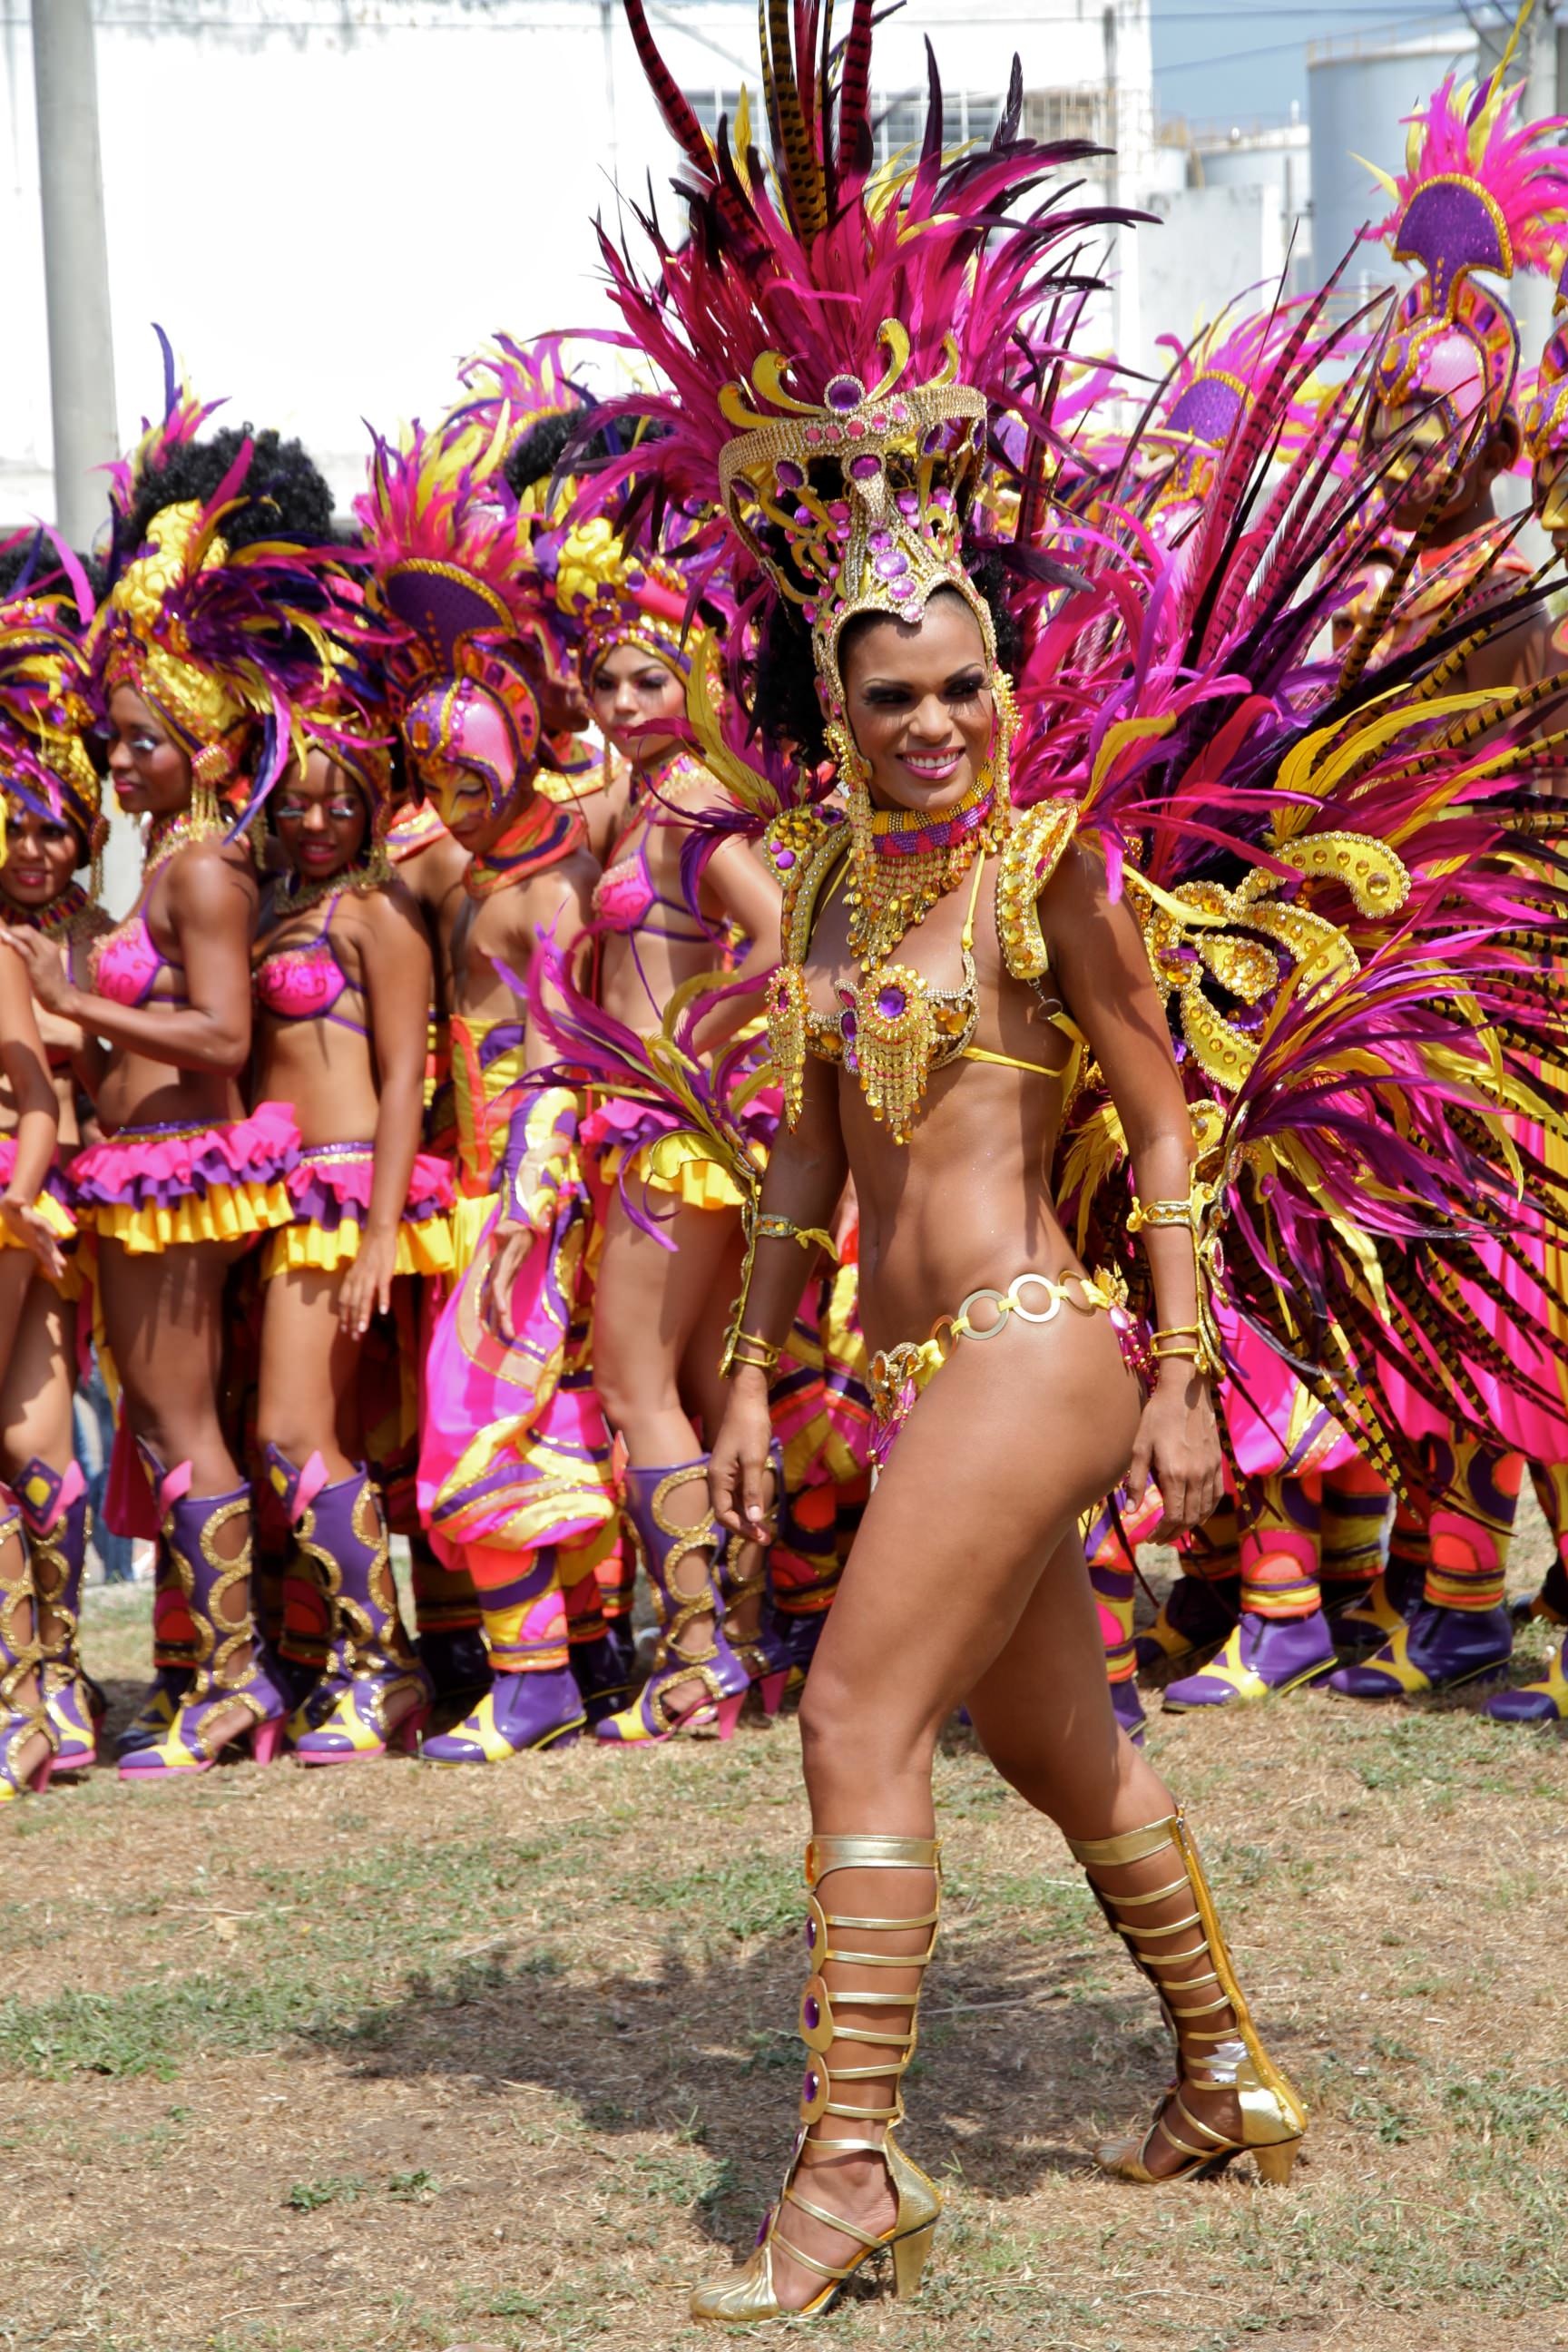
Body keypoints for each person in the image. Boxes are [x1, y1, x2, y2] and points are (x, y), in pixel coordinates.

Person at [5, 369, 364, 1779]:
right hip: (139, 1172)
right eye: (116, 740)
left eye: (142, 740)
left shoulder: (206, 870)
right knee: (170, 1425)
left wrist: (74, 1001)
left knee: (175, 1423)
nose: (121, 760)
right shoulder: (164, 863)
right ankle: (232, 1676)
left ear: (207, 744)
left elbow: (221, 1038)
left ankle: (237, 1684)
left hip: (180, 1174)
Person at [358, 373, 622, 1761]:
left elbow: (570, 1050)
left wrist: (532, 1196)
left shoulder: (560, 867)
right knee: (510, 1409)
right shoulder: (475, 872)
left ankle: (541, 1683)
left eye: (471, 776)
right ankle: (559, 1671)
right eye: (435, 782)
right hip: (495, 1183)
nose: (452, 804)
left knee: (486, 1413)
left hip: (543, 1178)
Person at [545, 512, 791, 1742]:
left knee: (637, 1387)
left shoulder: (691, 801)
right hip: (665, 1130)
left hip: (671, 1130)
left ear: (695, 678)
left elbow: (783, 935)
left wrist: (705, 1044)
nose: (628, 703)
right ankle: (740, 1640)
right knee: (697, 1383)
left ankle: (696, 1661)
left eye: (652, 678)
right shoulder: (642, 801)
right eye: (608, 683)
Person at [251, 687, 453, 1762]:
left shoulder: (379, 912)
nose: (317, 822)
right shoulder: (270, 905)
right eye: (295, 803)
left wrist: (380, 1231)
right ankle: (363, 1658)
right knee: (290, 1435)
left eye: (339, 802)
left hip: (341, 1198)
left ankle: (384, 1664)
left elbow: (406, 1076)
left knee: (293, 1432)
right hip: (269, 1201)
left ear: (375, 802)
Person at [0, 544, 112, 1771]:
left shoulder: (98, 934)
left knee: (43, 1431)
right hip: (37, 1203)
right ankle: (45, 1688)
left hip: (70, 1205)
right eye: (15, 829)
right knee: (33, 1433)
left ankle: (51, 1683)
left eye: (52, 830)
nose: (35, 850)